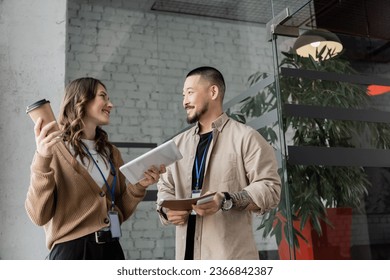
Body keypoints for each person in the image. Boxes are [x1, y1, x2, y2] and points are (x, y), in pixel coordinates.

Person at [25, 77, 165, 260]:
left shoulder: (111, 152)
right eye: (103, 97)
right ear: (81, 100)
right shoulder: (54, 149)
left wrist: (139, 186)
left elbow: (119, 209)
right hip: (72, 254)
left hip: (111, 249)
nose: (111, 104)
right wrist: (42, 158)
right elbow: (38, 216)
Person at [156, 66, 281, 260]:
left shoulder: (246, 138)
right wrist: (166, 210)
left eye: (190, 93)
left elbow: (270, 188)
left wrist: (226, 199)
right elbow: (165, 186)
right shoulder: (177, 145)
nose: (184, 102)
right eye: (183, 95)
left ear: (213, 92)